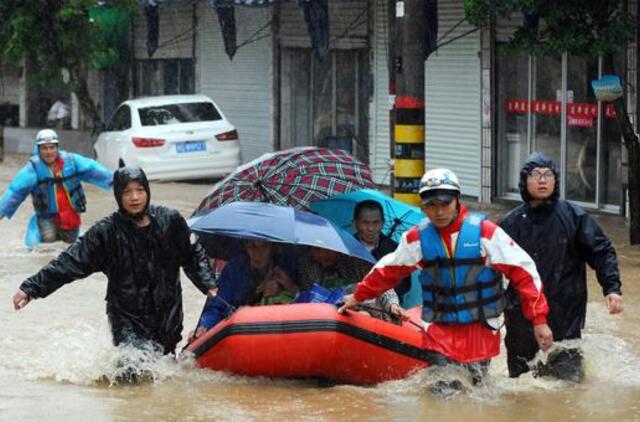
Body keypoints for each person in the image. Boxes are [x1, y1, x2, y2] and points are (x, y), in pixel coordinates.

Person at [339, 168, 553, 383]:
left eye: (445, 204)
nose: (439, 212)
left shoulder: (485, 233)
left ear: (457, 200)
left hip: (480, 331)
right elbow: (387, 270)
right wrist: (357, 296)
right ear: (424, 206)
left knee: (476, 397)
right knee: (441, 394)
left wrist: (539, 320)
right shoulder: (417, 239)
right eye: (431, 206)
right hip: (438, 332)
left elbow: (524, 271)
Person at [12, 166, 218, 356]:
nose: (134, 197)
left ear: (147, 191)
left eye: (139, 190)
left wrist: (208, 284)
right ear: (118, 196)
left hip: (168, 315)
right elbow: (69, 262)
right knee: (131, 369)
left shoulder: (170, 221)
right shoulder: (106, 232)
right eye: (127, 192)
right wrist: (31, 288)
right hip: (126, 318)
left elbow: (193, 254)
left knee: (164, 370)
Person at [499, 152, 623, 382]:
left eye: (548, 175)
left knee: (568, 387)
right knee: (520, 390)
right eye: (536, 175)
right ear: (525, 181)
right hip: (521, 319)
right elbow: (491, 270)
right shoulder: (510, 224)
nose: (543, 180)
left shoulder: (574, 216)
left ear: (556, 180)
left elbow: (602, 251)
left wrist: (612, 288)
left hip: (565, 317)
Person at [0, 129, 113, 245]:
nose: (48, 152)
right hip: (47, 220)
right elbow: (15, 193)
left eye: (51, 147)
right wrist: (1, 212)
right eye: (44, 148)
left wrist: (116, 181)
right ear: (39, 150)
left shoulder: (72, 162)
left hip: (71, 218)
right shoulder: (32, 170)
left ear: (57, 148)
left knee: (70, 252)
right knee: (47, 249)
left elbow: (94, 171)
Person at [191, 239, 298, 339]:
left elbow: (307, 301)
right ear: (246, 247)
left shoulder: (287, 266)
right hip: (239, 330)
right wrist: (204, 326)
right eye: (252, 246)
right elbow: (217, 306)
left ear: (273, 248)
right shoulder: (234, 269)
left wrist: (290, 287)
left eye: (264, 247)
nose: (257, 253)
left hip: (277, 329)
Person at [297, 246, 403, 318]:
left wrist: (392, 305)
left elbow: (380, 282)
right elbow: (308, 296)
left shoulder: (356, 261)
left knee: (363, 315)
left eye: (327, 250)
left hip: (365, 308)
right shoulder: (307, 266)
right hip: (325, 314)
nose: (323, 254)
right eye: (317, 250)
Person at [353, 199, 411, 301]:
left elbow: (404, 285)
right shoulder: (347, 246)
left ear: (383, 223)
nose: (371, 228)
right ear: (355, 223)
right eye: (365, 223)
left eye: (376, 223)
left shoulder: (396, 250)